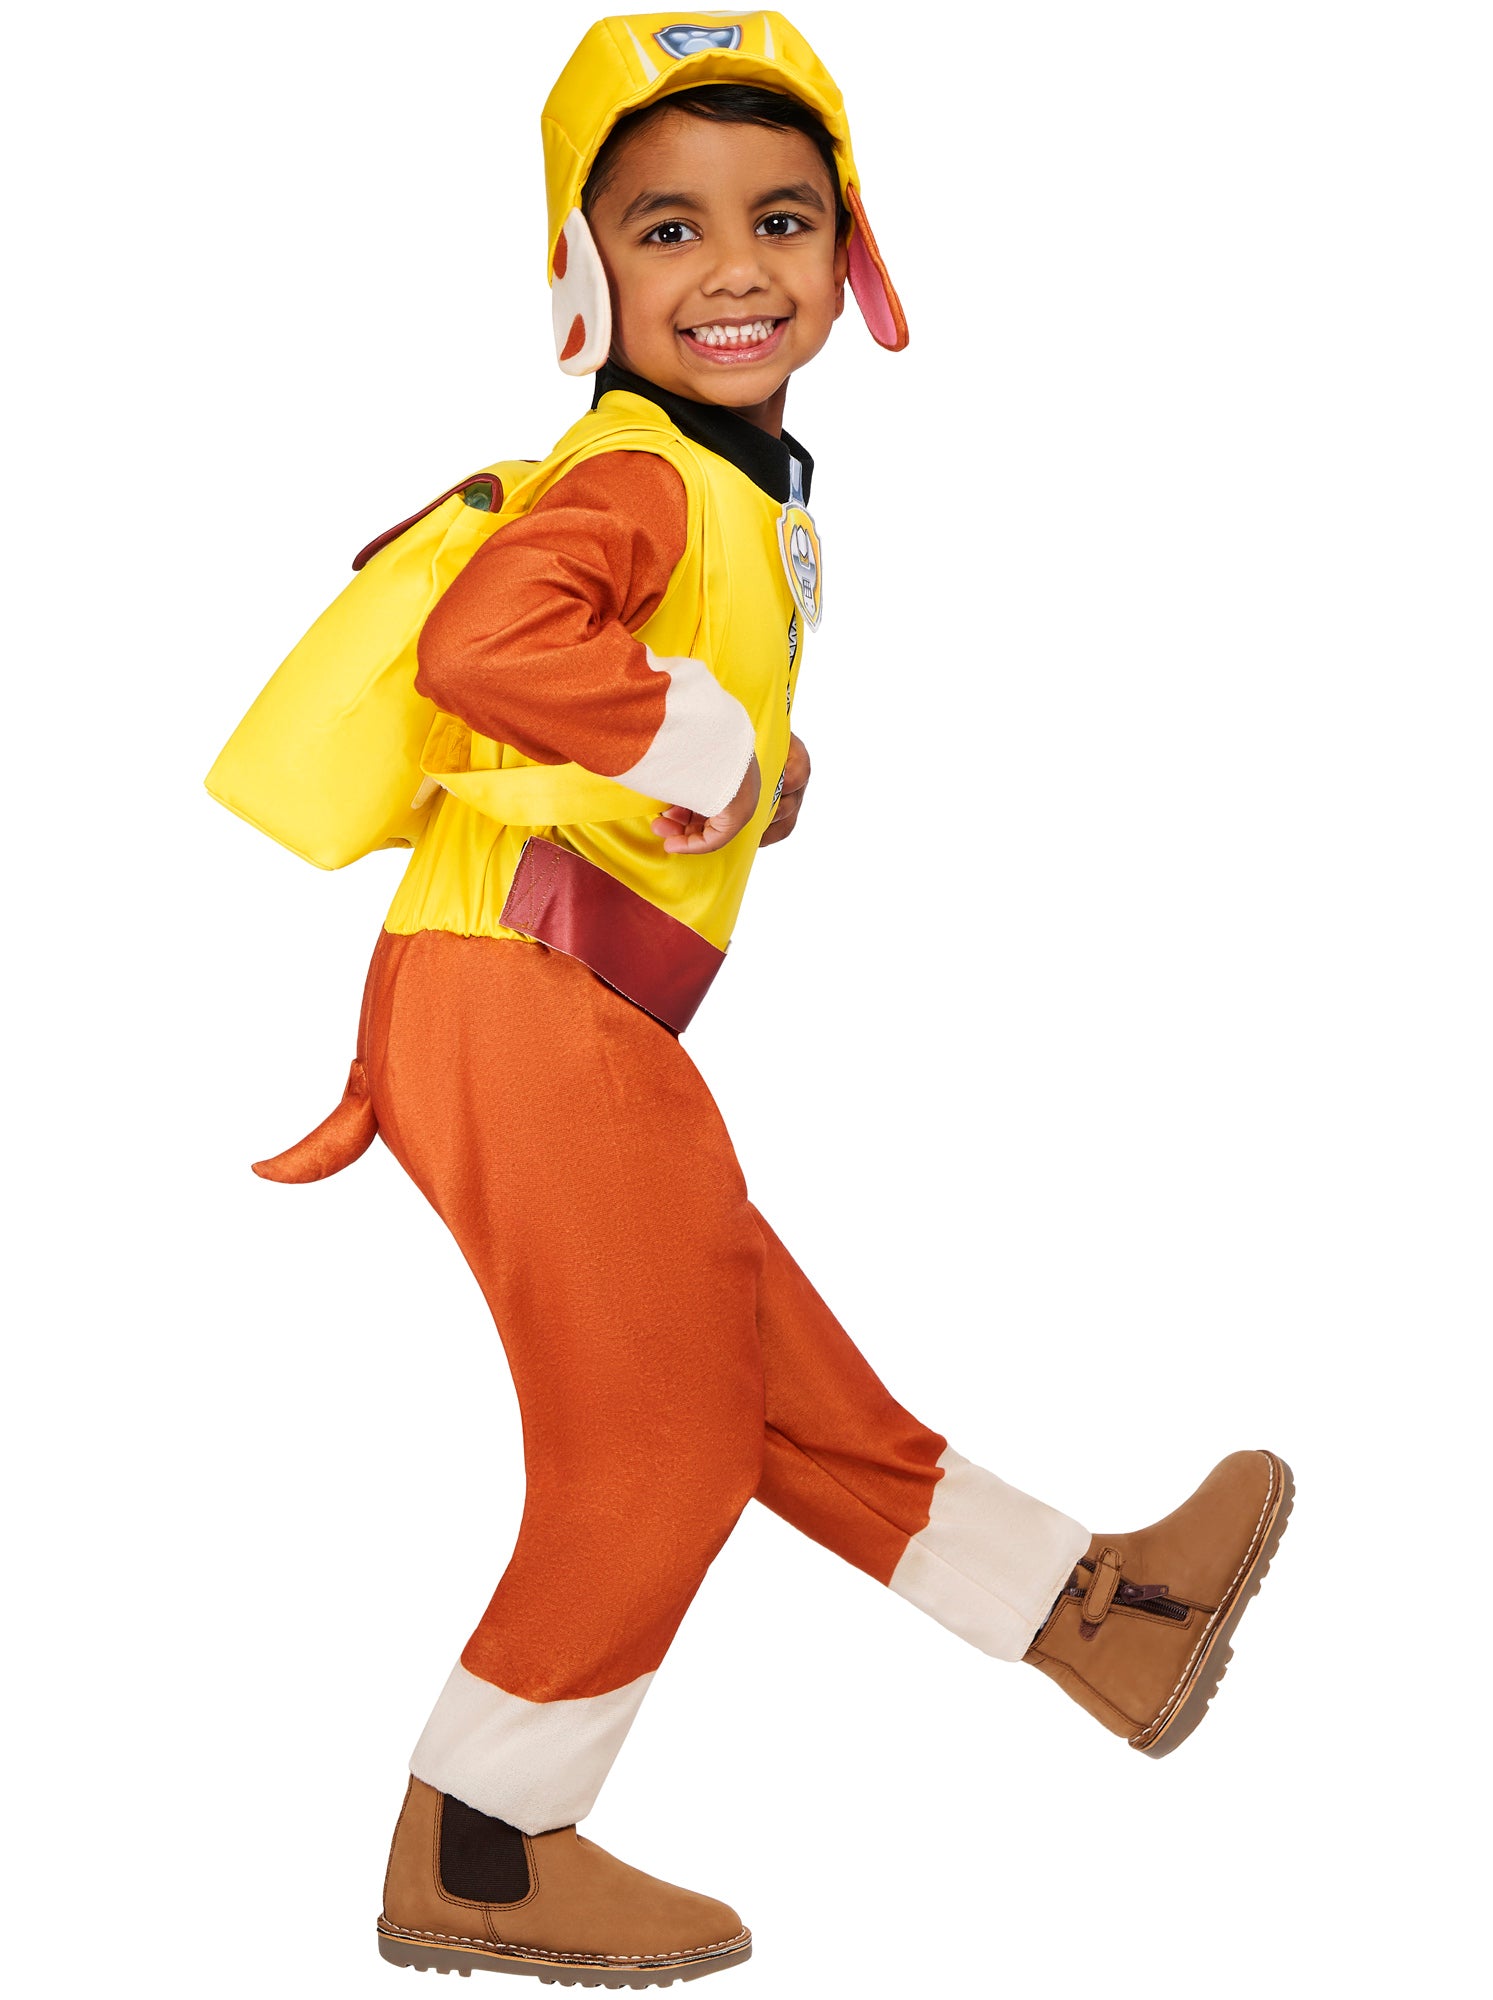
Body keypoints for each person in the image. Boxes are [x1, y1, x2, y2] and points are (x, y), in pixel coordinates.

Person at [213, 14, 1293, 1989]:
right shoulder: (640, 465)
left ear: (849, 250)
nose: (734, 269)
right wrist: (711, 743)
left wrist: (745, 764)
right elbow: (488, 642)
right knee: (661, 1440)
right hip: (519, 993)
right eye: (669, 227)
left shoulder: (726, 484)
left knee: (769, 1389)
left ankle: (1105, 1620)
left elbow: (604, 686)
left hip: (547, 1001)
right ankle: (485, 1841)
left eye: (782, 219)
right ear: (583, 266)